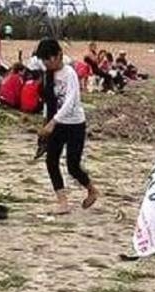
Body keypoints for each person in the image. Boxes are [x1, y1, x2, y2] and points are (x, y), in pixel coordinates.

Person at [35, 38, 99, 214]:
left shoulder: (69, 73)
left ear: (58, 56)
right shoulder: (48, 75)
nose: (47, 63)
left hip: (75, 124)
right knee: (51, 161)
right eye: (44, 61)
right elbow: (48, 102)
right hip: (56, 124)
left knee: (73, 165)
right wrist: (46, 124)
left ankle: (92, 190)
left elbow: (71, 101)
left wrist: (53, 122)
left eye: (49, 59)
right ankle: (63, 203)